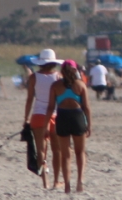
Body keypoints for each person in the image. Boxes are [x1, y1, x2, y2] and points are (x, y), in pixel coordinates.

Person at [46, 61, 92, 192]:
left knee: (65, 155)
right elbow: (87, 107)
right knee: (80, 152)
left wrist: (45, 125)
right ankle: (80, 181)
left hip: (62, 117)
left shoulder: (55, 86)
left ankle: (67, 184)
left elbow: (50, 107)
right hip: (77, 117)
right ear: (75, 70)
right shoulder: (81, 85)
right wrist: (89, 125)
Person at [22, 49, 63, 188]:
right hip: (55, 115)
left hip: (38, 115)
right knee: (57, 150)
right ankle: (56, 181)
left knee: (41, 150)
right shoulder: (58, 76)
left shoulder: (33, 77)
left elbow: (29, 99)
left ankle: (45, 181)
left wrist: (26, 118)